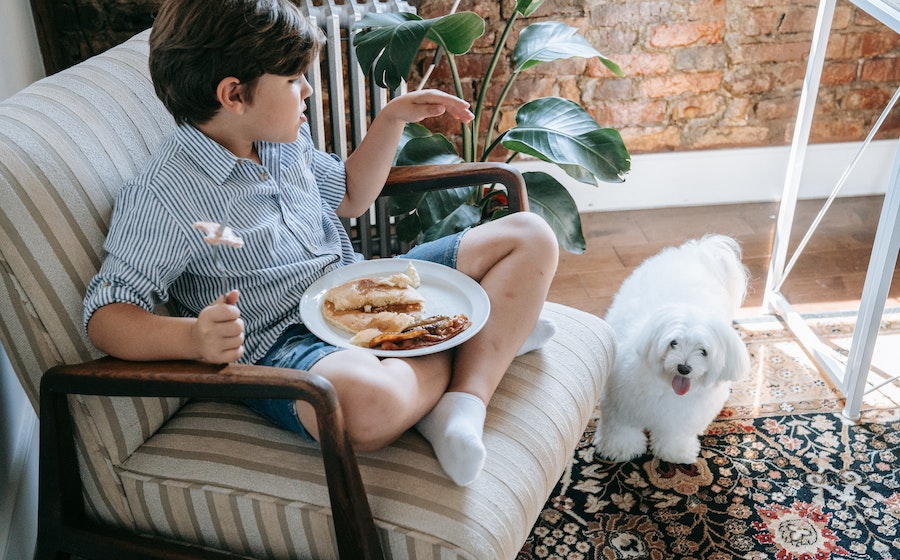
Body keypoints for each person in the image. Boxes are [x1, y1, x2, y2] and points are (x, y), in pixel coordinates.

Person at [83, 0, 558, 487]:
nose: (307, 89)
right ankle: (486, 346)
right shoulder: (164, 197)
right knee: (368, 407)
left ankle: (461, 399)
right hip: (288, 348)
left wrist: (391, 120)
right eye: (292, 80)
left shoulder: (285, 138)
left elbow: (350, 194)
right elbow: (106, 315)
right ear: (234, 95)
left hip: (369, 290)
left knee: (531, 236)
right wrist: (191, 338)